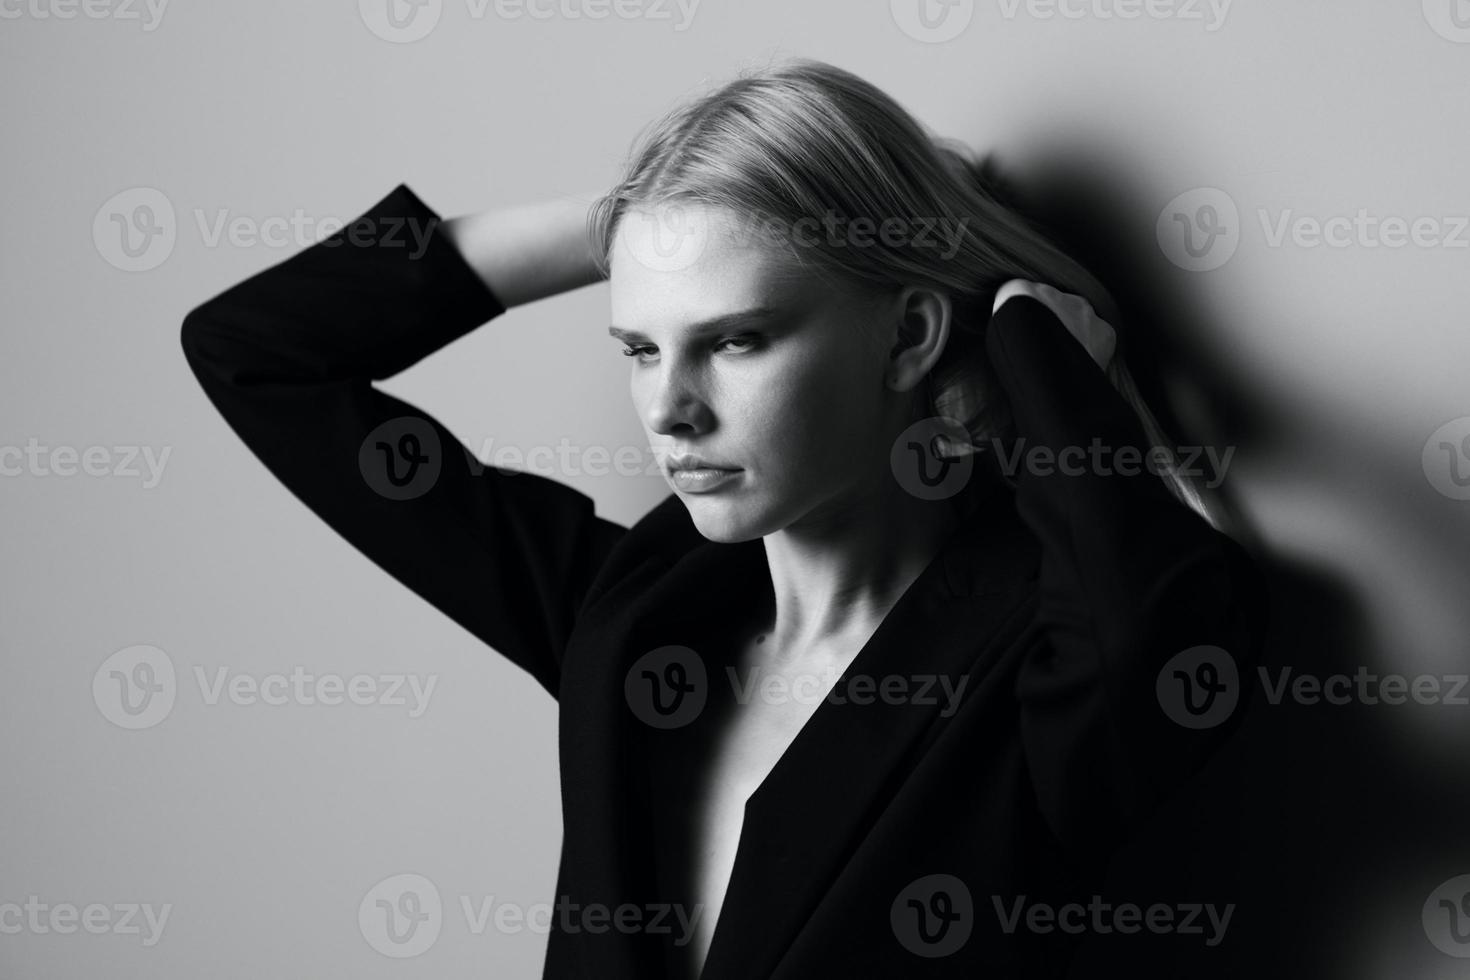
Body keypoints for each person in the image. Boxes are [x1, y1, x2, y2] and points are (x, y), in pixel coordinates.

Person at [181, 58, 1268, 979]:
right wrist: (640, 223)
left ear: (909, 338)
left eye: (736, 339)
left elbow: (1156, 624)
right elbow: (261, 356)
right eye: (642, 347)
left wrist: (1033, 345)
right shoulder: (632, 619)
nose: (670, 410)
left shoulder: (1032, 670)